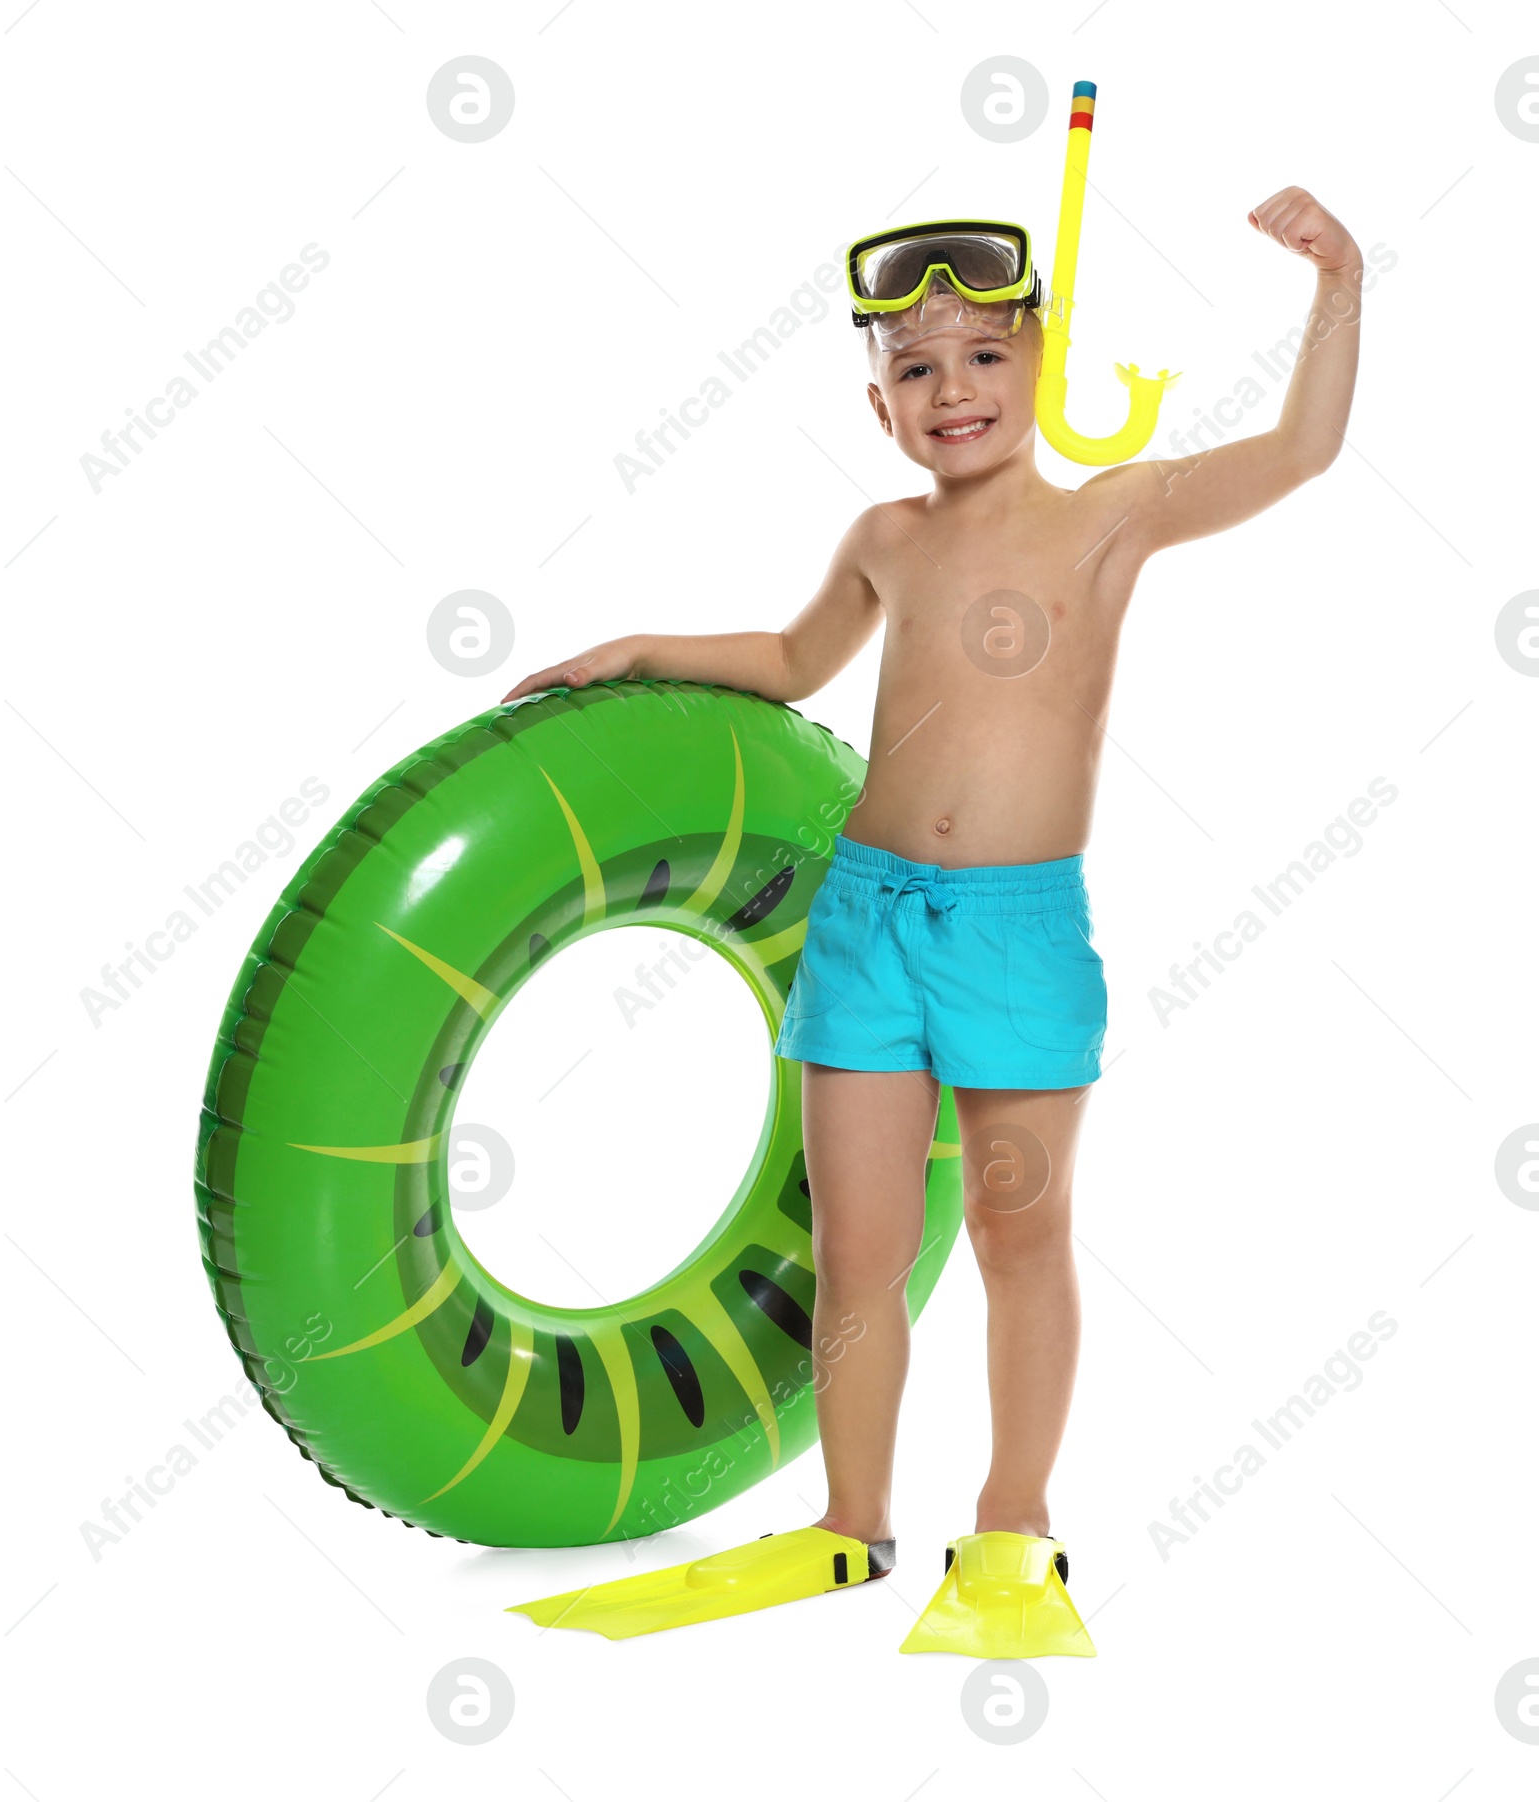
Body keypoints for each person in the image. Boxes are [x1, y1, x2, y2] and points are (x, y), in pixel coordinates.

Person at [502, 189, 1363, 1653]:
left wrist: (1340, 279)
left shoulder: (1115, 513)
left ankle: (1014, 1523)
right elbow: (790, 657)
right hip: (866, 926)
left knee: (1020, 1237)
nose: (949, 389)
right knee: (861, 1249)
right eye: (914, 370)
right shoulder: (885, 537)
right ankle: (852, 1522)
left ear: (1047, 360)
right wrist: (645, 644)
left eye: (980, 355)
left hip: (1016, 938)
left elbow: (1302, 450)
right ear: (877, 404)